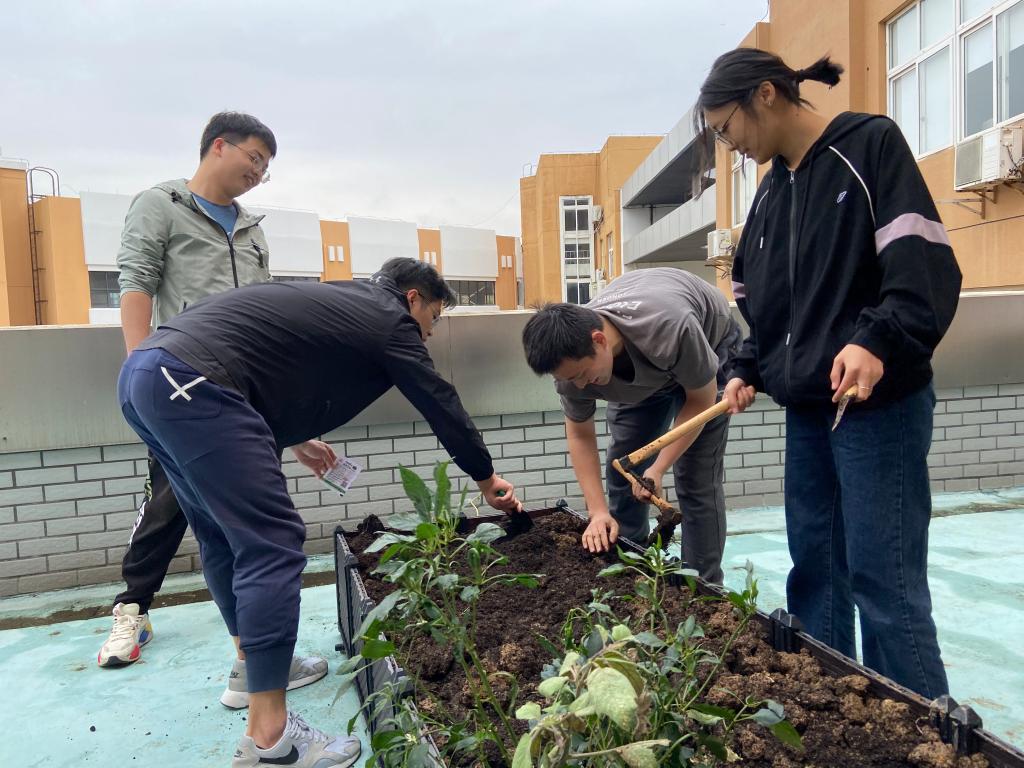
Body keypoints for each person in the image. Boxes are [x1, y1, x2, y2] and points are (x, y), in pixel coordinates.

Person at [117, 257, 522, 767]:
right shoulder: (390, 319)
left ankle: (250, 668)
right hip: (193, 382)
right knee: (272, 544)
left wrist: (297, 439)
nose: (429, 332)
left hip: (146, 374)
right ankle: (271, 741)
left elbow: (269, 358)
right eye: (433, 318)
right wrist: (485, 477)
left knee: (220, 533)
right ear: (413, 297)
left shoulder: (344, 301)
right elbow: (439, 401)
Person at [696, 48, 961, 699]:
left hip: (878, 409)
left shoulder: (868, 146)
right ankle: (830, 708)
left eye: (727, 129)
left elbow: (925, 268)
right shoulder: (769, 197)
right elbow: (765, 314)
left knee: (883, 580)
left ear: (765, 94)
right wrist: (745, 367)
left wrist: (876, 340)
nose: (731, 147)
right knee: (815, 571)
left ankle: (922, 727)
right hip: (810, 415)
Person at [102, 112, 332, 708]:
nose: (259, 172)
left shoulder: (252, 229)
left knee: (233, 532)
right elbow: (136, 284)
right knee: (215, 522)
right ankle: (143, 613)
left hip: (246, 394)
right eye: (254, 158)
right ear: (218, 146)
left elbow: (267, 320)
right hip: (182, 389)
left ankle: (249, 661)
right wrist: (142, 376)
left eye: (266, 167)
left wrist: (294, 429)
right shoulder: (161, 204)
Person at [521, 268, 741, 584]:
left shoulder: (669, 328)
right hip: (647, 370)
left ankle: (701, 586)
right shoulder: (573, 373)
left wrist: (658, 468)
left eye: (581, 375)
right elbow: (580, 435)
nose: (580, 386)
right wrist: (597, 511)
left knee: (695, 477)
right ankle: (631, 570)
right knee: (625, 469)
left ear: (599, 341)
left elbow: (700, 401)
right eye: (569, 379)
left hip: (708, 345)